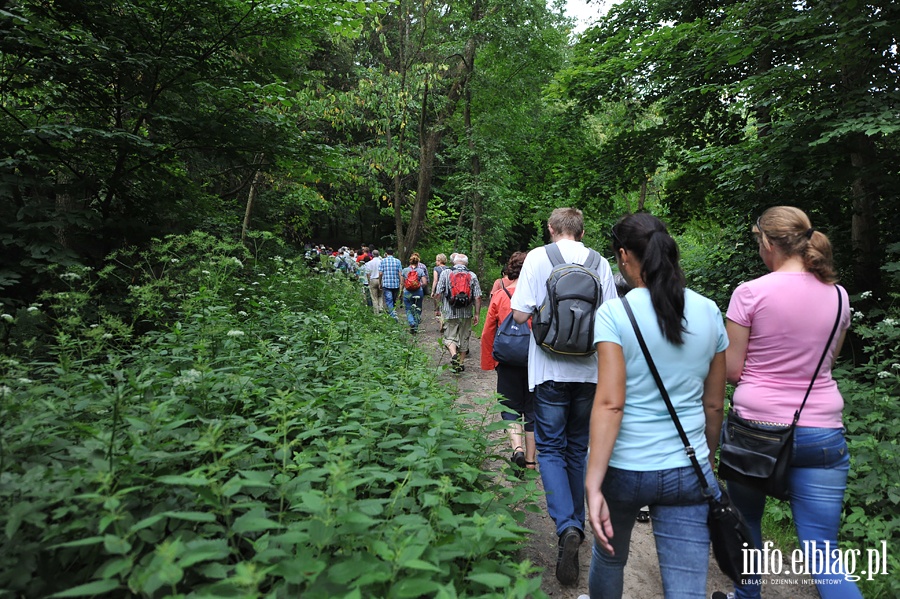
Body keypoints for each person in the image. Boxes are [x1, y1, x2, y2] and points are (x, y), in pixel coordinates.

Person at [584, 213, 727, 598]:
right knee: (687, 581)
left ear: (625, 256)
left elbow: (611, 404)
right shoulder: (709, 311)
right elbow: (714, 405)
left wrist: (593, 481)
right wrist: (706, 460)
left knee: (611, 558)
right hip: (687, 467)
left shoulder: (616, 314)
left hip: (625, 468)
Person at [724, 206, 860, 599]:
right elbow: (827, 362)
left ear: (767, 242)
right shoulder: (838, 295)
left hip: (756, 431)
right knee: (823, 554)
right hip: (822, 430)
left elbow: (733, 370)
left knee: (747, 526)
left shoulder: (750, 292)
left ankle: (746, 596)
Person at [509, 207, 617, 587]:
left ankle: (567, 525)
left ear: (551, 229)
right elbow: (610, 318)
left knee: (551, 448)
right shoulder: (600, 262)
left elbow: (520, 316)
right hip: (589, 371)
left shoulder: (538, 258)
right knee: (577, 447)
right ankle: (579, 523)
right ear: (582, 231)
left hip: (550, 370)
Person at [480, 251, 536, 470]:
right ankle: (531, 461)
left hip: (507, 361)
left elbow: (487, 332)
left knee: (509, 405)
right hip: (535, 361)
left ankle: (517, 449)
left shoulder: (501, 295)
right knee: (532, 410)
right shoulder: (540, 296)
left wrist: (490, 361)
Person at [434, 253, 482, 373]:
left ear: (453, 262)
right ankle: (460, 362)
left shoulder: (446, 273)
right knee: (464, 337)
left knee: (449, 336)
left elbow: (438, 293)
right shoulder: (472, 275)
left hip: (449, 311)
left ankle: (453, 354)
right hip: (466, 313)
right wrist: (477, 314)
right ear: (466, 263)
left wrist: (437, 309)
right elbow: (478, 297)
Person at [400, 252, 429, 334]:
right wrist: (419, 287)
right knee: (418, 309)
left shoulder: (405, 270)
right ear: (418, 262)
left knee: (408, 308)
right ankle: (415, 327)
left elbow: (402, 283)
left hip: (407, 292)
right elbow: (425, 282)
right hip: (418, 292)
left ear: (410, 261)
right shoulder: (420, 270)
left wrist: (401, 293)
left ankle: (411, 322)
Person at [378, 248, 403, 320]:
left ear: (386, 253)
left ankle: (393, 316)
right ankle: (393, 313)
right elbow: (400, 273)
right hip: (395, 284)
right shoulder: (398, 261)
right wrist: (401, 283)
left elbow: (380, 273)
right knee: (394, 300)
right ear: (393, 253)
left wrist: (380, 283)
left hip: (386, 284)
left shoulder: (383, 261)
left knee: (389, 300)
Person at [365, 249, 383, 314]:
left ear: (372, 255)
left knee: (374, 297)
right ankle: (381, 307)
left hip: (373, 279)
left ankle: (376, 312)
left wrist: (369, 281)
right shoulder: (382, 261)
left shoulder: (369, 263)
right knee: (380, 295)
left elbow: (368, 273)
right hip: (381, 279)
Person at [432, 253, 449, 321]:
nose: (436, 262)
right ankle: (444, 318)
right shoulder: (449, 268)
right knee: (445, 304)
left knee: (438, 304)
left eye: (436, 260)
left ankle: (438, 315)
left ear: (439, 261)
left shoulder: (436, 269)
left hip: (439, 289)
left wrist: (433, 291)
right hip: (447, 289)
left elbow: (435, 280)